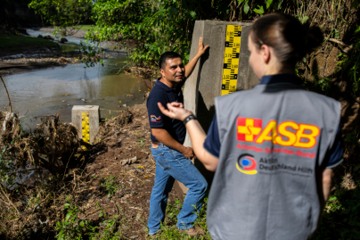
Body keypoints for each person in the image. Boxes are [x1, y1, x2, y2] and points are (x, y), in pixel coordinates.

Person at [158, 13, 344, 240]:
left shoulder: (232, 105)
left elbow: (209, 160)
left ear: (264, 53)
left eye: (250, 51)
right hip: (293, 231)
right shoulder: (328, 110)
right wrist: (307, 226)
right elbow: (324, 178)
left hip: (235, 228)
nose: (249, 58)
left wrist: (188, 118)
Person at [147, 38, 209, 236]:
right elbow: (157, 131)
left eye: (180, 65)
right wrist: (184, 150)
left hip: (165, 150)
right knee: (199, 185)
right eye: (174, 67)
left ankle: (154, 230)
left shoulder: (173, 84)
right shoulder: (158, 95)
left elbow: (186, 73)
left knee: (160, 190)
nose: (180, 70)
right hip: (167, 150)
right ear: (162, 72)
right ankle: (185, 224)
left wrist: (198, 55)